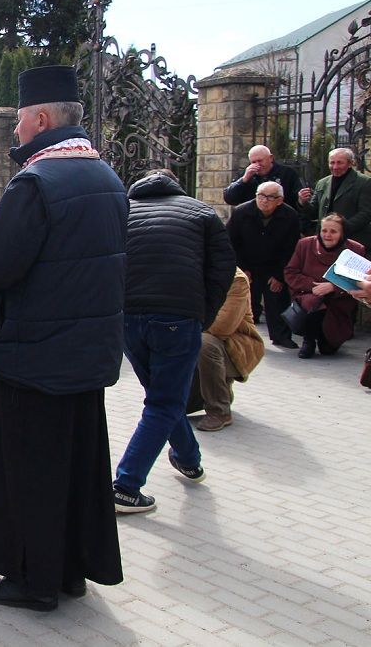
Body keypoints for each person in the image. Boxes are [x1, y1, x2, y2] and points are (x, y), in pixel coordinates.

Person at [0, 66, 126, 610]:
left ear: (43, 118)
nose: (14, 131)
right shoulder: (106, 176)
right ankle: (70, 570)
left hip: (34, 356)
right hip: (86, 355)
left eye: (21, 119)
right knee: (75, 467)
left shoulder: (36, 182)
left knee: (31, 472)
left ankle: (33, 580)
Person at [111, 170, 236, 514]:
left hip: (129, 318)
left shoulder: (122, 211)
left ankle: (188, 458)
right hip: (177, 319)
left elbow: (105, 262)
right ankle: (125, 485)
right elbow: (223, 269)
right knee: (165, 402)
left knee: (162, 398)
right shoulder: (201, 212)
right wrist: (202, 316)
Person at [188, 268, 265, 432]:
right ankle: (215, 391)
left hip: (235, 345)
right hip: (198, 335)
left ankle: (219, 411)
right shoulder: (189, 273)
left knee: (204, 343)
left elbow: (222, 328)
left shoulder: (236, 280)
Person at [227, 181, 301, 348]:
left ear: (280, 200)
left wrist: (279, 276)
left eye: (270, 197)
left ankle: (281, 336)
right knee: (245, 303)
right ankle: (241, 338)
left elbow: (290, 249)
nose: (264, 200)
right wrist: (242, 268)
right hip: (248, 264)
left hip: (274, 265)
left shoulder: (290, 216)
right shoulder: (242, 212)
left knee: (277, 300)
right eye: (261, 196)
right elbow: (231, 243)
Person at [284, 213, 367, 358]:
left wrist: (333, 287)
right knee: (312, 301)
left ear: (342, 234)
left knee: (328, 349)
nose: (327, 235)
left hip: (338, 300)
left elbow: (360, 280)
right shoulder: (305, 244)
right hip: (309, 295)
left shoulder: (356, 249)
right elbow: (290, 272)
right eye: (324, 230)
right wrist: (312, 286)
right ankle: (308, 340)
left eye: (333, 231)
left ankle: (326, 338)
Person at [299, 148, 371, 244]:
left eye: (340, 163)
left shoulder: (364, 182)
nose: (335, 167)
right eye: (332, 163)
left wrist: (341, 228)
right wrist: (304, 202)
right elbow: (313, 213)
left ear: (350, 163)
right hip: (325, 241)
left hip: (352, 240)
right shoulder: (322, 183)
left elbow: (366, 213)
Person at [223, 144, 305, 212]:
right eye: (253, 162)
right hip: (252, 221)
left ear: (271, 158)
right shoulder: (246, 175)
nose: (257, 165)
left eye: (260, 161)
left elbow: (298, 200)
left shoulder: (287, 173)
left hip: (281, 220)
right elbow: (229, 198)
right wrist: (244, 180)